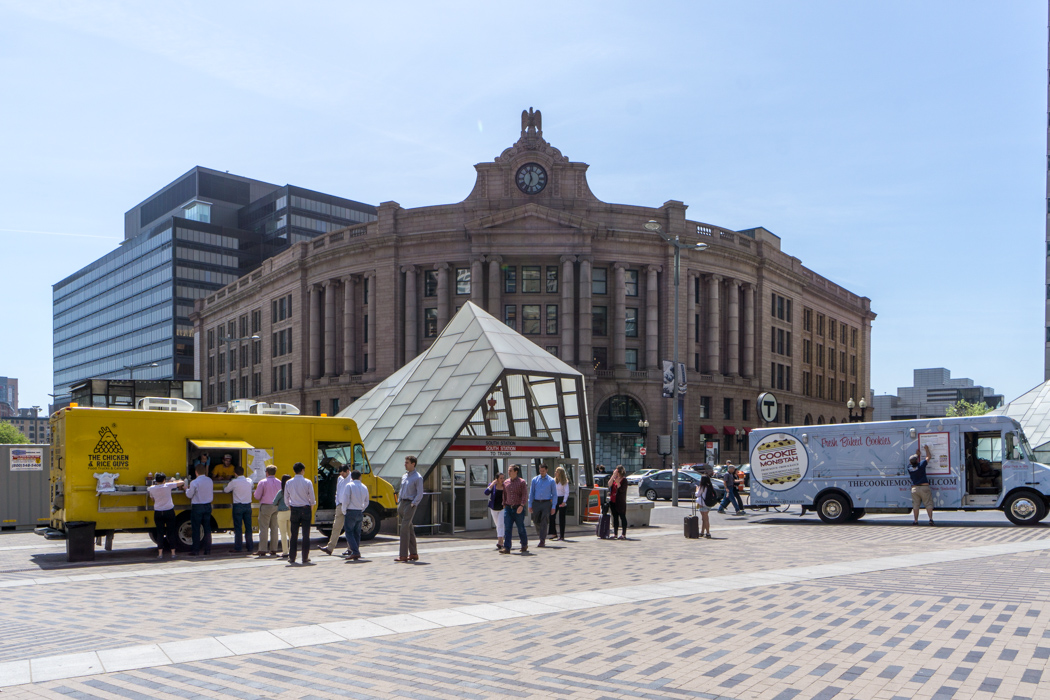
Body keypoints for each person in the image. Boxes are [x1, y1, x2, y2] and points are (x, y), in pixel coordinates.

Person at [285, 462, 316, 565]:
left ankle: (292, 557)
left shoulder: (289, 482)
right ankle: (305, 557)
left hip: (294, 508)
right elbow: (312, 497)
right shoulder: (308, 482)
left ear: (294, 471)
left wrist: (289, 505)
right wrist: (311, 506)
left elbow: (286, 497)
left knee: (294, 534)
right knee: (306, 534)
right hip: (305, 508)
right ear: (303, 470)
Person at [148, 472, 183, 558]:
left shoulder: (151, 488)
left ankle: (160, 553)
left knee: (160, 533)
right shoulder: (168, 486)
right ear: (164, 480)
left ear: (155, 480)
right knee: (171, 532)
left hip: (158, 512)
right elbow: (181, 482)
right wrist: (171, 481)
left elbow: (152, 499)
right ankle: (173, 553)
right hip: (169, 511)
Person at [396, 455, 424, 562]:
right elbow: (401, 489)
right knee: (409, 528)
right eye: (405, 462)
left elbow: (420, 493)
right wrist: (399, 502)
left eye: (407, 462)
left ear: (413, 464)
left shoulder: (418, 477)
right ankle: (413, 553)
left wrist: (413, 504)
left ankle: (403, 555)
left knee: (404, 529)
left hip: (410, 504)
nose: (405, 464)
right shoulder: (404, 476)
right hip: (402, 503)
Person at [339, 469, 370, 560]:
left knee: (349, 532)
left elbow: (346, 500)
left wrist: (344, 510)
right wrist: (362, 508)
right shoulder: (364, 486)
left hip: (350, 511)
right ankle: (355, 551)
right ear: (360, 477)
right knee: (357, 533)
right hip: (359, 511)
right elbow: (367, 501)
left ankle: (355, 551)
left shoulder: (349, 485)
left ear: (351, 477)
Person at [320, 463, 350, 556]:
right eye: (340, 473)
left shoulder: (352, 479)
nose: (342, 475)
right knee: (336, 527)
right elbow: (338, 491)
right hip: (340, 505)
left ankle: (350, 548)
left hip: (349, 506)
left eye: (343, 473)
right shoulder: (340, 478)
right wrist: (337, 503)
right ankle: (330, 547)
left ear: (347, 471)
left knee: (349, 528)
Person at [223, 465, 254, 553]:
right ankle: (250, 546)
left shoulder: (234, 482)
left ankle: (238, 547)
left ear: (235, 473)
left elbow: (226, 490)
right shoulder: (249, 481)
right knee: (248, 527)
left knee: (238, 528)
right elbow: (251, 488)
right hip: (248, 506)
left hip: (238, 506)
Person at [185, 463, 214, 556]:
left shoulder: (194, 482)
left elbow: (189, 495)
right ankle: (208, 550)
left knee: (196, 529)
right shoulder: (210, 480)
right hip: (208, 506)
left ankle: (196, 550)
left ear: (196, 472)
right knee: (207, 529)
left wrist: (186, 489)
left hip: (197, 507)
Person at [254, 466, 282, 557]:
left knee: (264, 528)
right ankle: (274, 549)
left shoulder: (262, 482)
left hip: (266, 506)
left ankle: (262, 549)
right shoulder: (279, 482)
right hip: (276, 506)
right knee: (274, 528)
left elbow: (257, 496)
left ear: (266, 472)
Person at [501, 464, 529, 554]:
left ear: (516, 471)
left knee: (520, 527)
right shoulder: (506, 482)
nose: (508, 472)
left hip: (518, 508)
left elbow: (524, 495)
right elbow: (504, 494)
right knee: (507, 528)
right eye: (508, 470)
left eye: (510, 471)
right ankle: (507, 547)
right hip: (508, 508)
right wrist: (504, 504)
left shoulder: (521, 482)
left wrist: (521, 505)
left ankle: (524, 544)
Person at [529, 464, 558, 548]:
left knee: (544, 520)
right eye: (540, 471)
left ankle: (542, 540)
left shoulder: (551, 481)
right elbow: (532, 493)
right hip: (536, 503)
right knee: (535, 520)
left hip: (546, 503)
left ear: (546, 470)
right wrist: (530, 504)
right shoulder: (535, 480)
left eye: (543, 471)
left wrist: (553, 507)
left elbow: (554, 494)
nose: (541, 472)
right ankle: (540, 533)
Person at [909, 444, 935, 526]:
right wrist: (926, 449)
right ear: (917, 460)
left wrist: (917, 455)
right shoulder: (921, 465)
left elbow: (912, 462)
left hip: (914, 489)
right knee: (928, 503)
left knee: (916, 505)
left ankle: (915, 521)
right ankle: (930, 519)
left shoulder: (909, 468)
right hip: (924, 487)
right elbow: (928, 457)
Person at [484, 472, 506, 551]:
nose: (502, 480)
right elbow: (486, 493)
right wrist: (492, 485)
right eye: (501, 478)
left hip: (502, 508)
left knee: (500, 524)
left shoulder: (505, 486)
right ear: (496, 479)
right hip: (494, 508)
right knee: (497, 524)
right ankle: (501, 540)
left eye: (503, 478)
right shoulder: (493, 486)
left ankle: (500, 541)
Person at [608, 466, 629, 539]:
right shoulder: (614, 479)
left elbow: (621, 490)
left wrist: (617, 482)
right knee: (615, 518)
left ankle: (623, 534)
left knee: (622, 517)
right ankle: (615, 534)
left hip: (620, 501)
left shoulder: (624, 480)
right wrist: (613, 476)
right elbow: (609, 484)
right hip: (613, 500)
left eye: (617, 472)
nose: (616, 473)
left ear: (620, 472)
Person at [273, 475, 292, 557]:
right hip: (291, 512)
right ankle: (292, 550)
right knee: (291, 533)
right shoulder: (292, 491)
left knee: (283, 533)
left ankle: (285, 552)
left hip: (282, 513)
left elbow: (274, 502)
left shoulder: (281, 492)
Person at [551, 466, 570, 541]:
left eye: (557, 472)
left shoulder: (564, 482)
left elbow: (566, 492)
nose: (555, 473)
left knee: (561, 518)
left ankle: (562, 535)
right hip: (555, 498)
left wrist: (564, 501)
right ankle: (554, 533)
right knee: (552, 516)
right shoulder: (553, 481)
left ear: (560, 473)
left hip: (562, 499)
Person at [695, 474, 714, 539]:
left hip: (703, 503)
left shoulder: (702, 487)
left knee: (705, 519)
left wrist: (696, 489)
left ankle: (708, 533)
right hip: (709, 503)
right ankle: (702, 532)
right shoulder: (710, 486)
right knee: (704, 518)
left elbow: (697, 494)